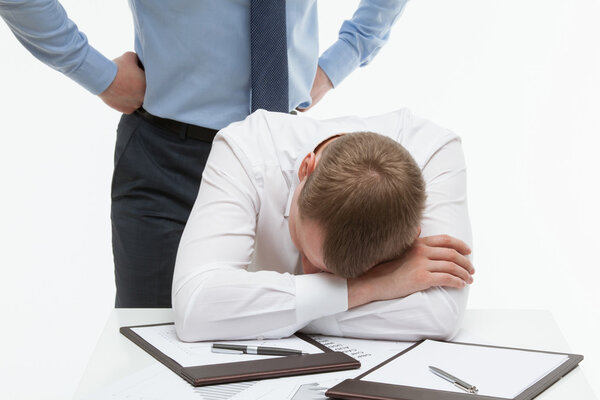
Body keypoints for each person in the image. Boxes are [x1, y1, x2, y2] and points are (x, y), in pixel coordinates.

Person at [0, 0, 410, 307]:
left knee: (298, 346)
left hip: (288, 160)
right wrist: (95, 72)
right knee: (156, 354)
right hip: (169, 162)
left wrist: (343, 56)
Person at [172, 108, 474, 342]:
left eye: (333, 274)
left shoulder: (435, 152)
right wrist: (373, 284)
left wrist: (252, 317)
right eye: (305, 249)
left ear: (412, 236)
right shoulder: (245, 148)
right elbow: (194, 308)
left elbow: (440, 315)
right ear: (306, 169)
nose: (307, 271)